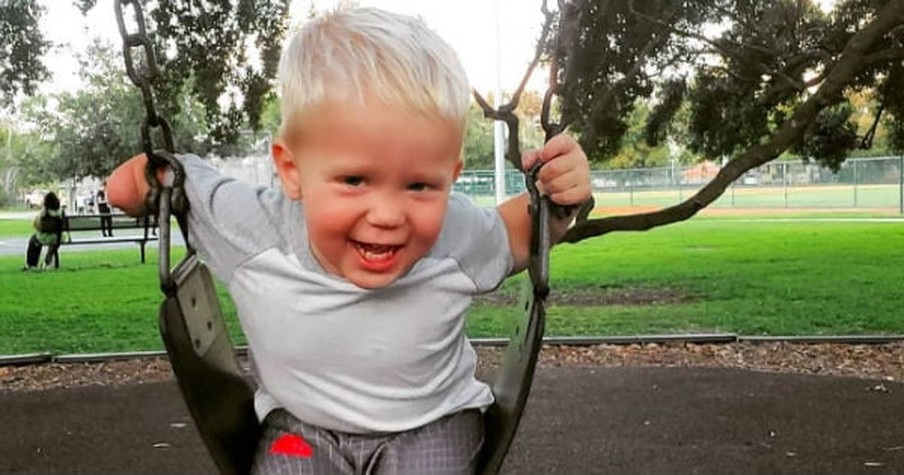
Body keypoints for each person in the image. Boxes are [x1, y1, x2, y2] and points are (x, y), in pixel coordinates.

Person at [107, 7, 591, 474]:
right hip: (302, 430)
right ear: (292, 171)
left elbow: (521, 230)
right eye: (355, 180)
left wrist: (561, 198)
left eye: (420, 185)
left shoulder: (455, 232)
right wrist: (139, 185)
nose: (386, 215)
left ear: (451, 177)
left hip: (434, 425)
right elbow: (153, 186)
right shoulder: (253, 227)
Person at [24, 191, 64, 270]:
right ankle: (46, 262)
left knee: (33, 240)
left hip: (44, 237)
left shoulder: (45, 212)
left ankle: (31, 264)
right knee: (48, 244)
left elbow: (38, 224)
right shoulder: (60, 212)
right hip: (57, 237)